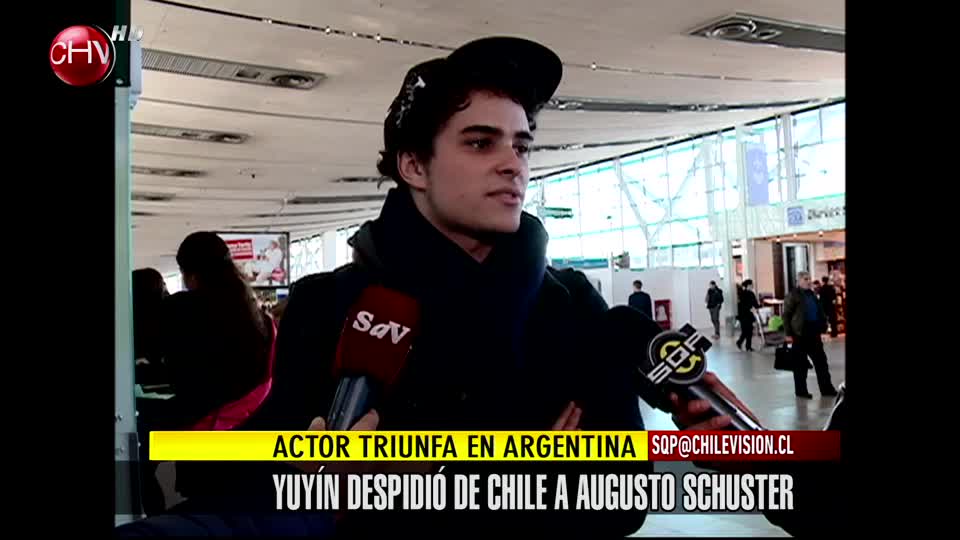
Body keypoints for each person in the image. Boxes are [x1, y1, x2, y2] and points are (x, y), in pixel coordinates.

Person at [206, 36, 734, 537]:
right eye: (481, 143)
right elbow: (246, 484)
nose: (512, 165)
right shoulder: (330, 306)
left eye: (521, 146)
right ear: (414, 165)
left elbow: (625, 504)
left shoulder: (572, 306)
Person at [161, 231, 276, 497]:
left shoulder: (180, 310)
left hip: (202, 438)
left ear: (191, 275)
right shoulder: (258, 318)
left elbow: (179, 376)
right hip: (252, 436)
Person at [783, 271, 838, 398]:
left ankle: (826, 389)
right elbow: (786, 315)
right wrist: (788, 333)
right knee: (800, 365)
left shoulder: (812, 294)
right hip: (800, 333)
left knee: (821, 362)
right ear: (799, 281)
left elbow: (819, 311)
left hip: (814, 332)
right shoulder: (793, 295)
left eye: (809, 279)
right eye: (806, 279)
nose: (809, 281)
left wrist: (823, 325)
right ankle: (801, 391)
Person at [736, 279, 760, 351]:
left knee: (749, 331)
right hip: (744, 315)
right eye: (751, 284)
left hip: (748, 315)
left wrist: (758, 306)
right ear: (748, 285)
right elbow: (742, 305)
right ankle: (741, 343)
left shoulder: (751, 293)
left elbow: (755, 304)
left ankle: (747, 346)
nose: (752, 286)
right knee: (746, 331)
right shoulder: (743, 294)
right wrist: (750, 307)